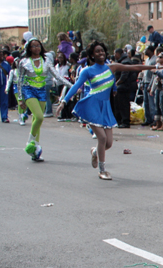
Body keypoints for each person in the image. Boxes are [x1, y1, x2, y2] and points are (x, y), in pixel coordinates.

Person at [57, 40, 153, 180]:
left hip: (106, 106)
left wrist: (156, 66)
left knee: (108, 143)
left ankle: (95, 151)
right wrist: (64, 101)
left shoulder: (111, 68)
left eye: (102, 51)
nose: (100, 53)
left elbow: (134, 67)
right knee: (101, 138)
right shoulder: (87, 71)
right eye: (97, 51)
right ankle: (102, 170)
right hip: (92, 105)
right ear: (92, 55)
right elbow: (75, 86)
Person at [16, 38, 71, 161]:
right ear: (29, 48)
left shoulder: (46, 61)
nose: (36, 48)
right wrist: (20, 98)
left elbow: (57, 76)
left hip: (41, 91)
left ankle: (35, 151)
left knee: (37, 120)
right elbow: (19, 80)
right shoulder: (23, 62)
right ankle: (30, 142)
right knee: (40, 116)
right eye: (33, 46)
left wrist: (72, 86)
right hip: (28, 90)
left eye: (38, 45)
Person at [111, 48, 135, 128]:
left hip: (124, 87)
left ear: (119, 53)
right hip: (119, 87)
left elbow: (124, 75)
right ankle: (119, 120)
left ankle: (125, 121)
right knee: (118, 105)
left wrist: (117, 83)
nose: (114, 55)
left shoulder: (126, 62)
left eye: (115, 53)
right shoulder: (120, 61)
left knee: (124, 105)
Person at [140, 46, 157, 127]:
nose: (145, 51)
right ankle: (148, 119)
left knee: (151, 102)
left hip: (150, 82)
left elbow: (154, 74)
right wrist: (142, 82)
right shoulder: (147, 60)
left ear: (150, 51)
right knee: (146, 102)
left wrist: (151, 85)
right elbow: (144, 72)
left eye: (146, 50)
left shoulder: (154, 60)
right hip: (145, 82)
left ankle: (154, 119)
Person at [0, 50, 9, 123]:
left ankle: (4, 117)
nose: (2, 56)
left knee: (4, 101)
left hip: (4, 86)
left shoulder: (6, 64)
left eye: (2, 55)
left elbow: (10, 73)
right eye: (0, 55)